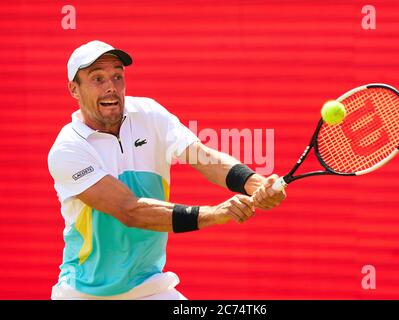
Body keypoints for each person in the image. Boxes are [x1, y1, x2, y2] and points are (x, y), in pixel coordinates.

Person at [48, 40, 286, 300]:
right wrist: (214, 214)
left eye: (117, 76)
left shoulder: (149, 114)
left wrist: (255, 184)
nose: (111, 87)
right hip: (84, 294)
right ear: (74, 89)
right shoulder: (68, 149)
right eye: (97, 79)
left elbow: (202, 156)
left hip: (151, 287)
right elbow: (130, 211)